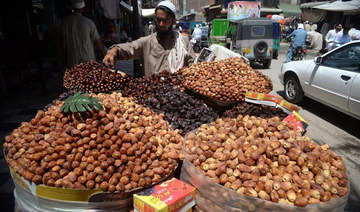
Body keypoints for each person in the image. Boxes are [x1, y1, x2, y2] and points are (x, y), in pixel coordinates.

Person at [103, 1, 195, 76]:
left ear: (173, 21)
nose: (161, 24)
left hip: (179, 94)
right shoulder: (147, 42)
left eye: (166, 20)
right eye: (158, 20)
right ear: (155, 19)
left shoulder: (183, 41)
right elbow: (130, 47)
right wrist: (114, 50)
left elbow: (193, 64)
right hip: (152, 94)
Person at [61, 0, 104, 69]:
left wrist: (64, 57)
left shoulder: (65, 22)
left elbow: (63, 43)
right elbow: (97, 40)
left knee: (76, 77)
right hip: (87, 57)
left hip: (72, 58)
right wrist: (103, 53)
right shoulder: (88, 22)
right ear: (83, 8)